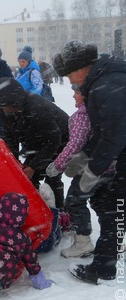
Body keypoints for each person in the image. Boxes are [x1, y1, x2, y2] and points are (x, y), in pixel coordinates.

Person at [52, 39, 126, 285]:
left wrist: (92, 170)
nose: (71, 82)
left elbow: (114, 135)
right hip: (118, 157)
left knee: (112, 210)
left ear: (83, 66)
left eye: (71, 75)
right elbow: (101, 132)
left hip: (120, 158)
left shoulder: (106, 85)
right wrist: (83, 159)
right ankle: (105, 264)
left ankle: (104, 267)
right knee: (110, 209)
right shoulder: (104, 80)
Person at [45, 83, 116, 258]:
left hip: (91, 168)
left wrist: (57, 165)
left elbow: (75, 145)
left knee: (74, 201)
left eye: (77, 92)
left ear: (86, 96)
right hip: (110, 165)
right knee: (104, 202)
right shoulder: (104, 111)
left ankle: (82, 243)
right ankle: (117, 238)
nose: (73, 96)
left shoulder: (83, 116)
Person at [0, 77, 69, 209]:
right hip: (37, 143)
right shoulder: (6, 109)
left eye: (5, 105)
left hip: (61, 141)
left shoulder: (37, 108)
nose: (3, 109)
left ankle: (60, 213)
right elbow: (10, 138)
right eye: (1, 105)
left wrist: (34, 166)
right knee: (26, 178)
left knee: (52, 178)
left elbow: (53, 140)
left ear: (14, 101)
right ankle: (35, 210)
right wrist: (13, 162)